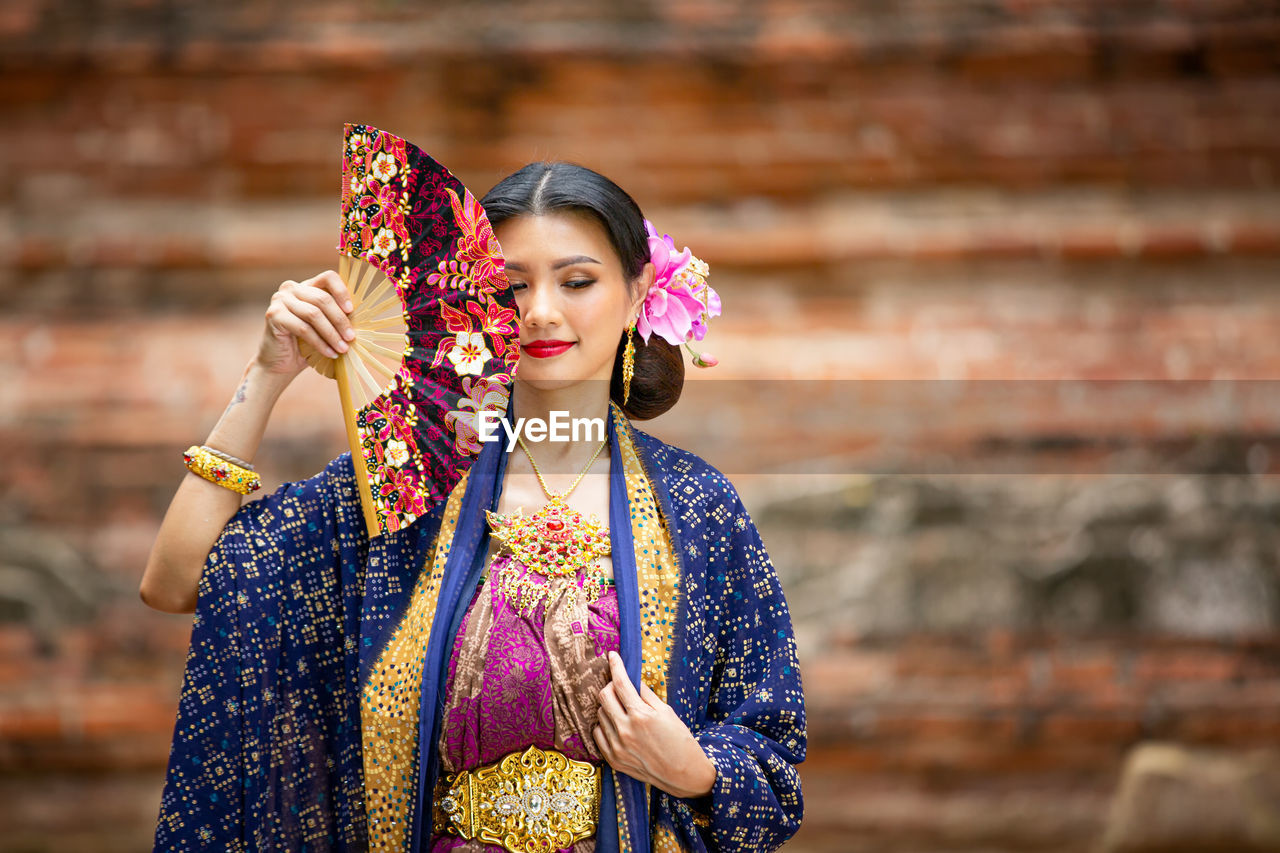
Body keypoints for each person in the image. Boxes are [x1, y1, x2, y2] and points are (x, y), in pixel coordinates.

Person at [141, 159, 806, 853]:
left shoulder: (696, 510)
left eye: (577, 281)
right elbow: (174, 580)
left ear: (639, 291)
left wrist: (694, 769)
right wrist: (267, 374)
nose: (541, 310)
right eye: (512, 286)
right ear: (470, 301)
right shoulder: (404, 490)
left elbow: (774, 764)